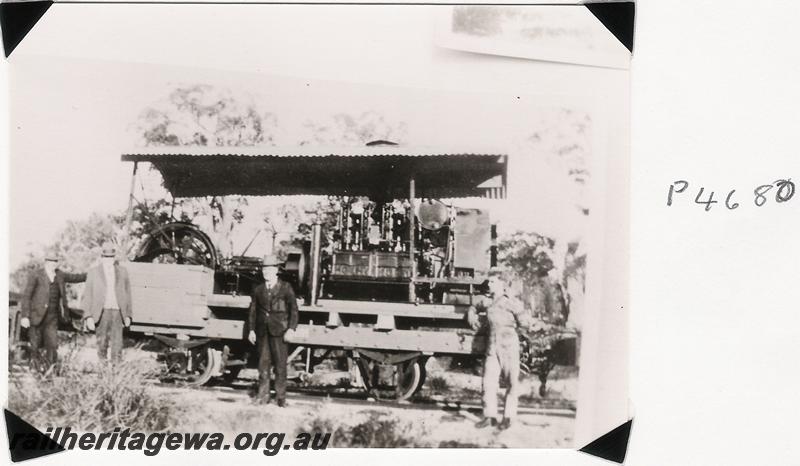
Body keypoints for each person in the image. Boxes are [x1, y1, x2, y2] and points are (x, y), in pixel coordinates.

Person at [468, 270, 536, 430]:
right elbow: (473, 307)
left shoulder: (511, 302)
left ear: (501, 284)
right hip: (492, 346)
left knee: (511, 382)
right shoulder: (486, 301)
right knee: (488, 383)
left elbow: (525, 323)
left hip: (509, 346)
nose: (488, 284)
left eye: (492, 282)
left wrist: (514, 335)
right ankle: (489, 416)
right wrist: (471, 315)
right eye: (488, 282)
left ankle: (508, 417)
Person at [20, 253, 86, 371]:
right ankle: (34, 371)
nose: (53, 264)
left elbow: (75, 278)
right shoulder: (36, 275)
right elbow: (26, 297)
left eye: (55, 261)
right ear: (46, 262)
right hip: (36, 317)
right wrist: (25, 316)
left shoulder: (60, 275)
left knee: (52, 345)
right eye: (51, 261)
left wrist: (93, 274)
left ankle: (50, 373)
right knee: (35, 346)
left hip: (52, 318)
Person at [247, 255, 299, 406]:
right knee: (263, 365)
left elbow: (294, 310)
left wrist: (291, 329)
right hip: (262, 331)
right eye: (264, 269)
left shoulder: (286, 287)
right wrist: (251, 330)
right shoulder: (258, 289)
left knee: (280, 366)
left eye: (269, 269)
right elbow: (253, 311)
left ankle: (280, 398)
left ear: (276, 271)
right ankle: (263, 397)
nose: (266, 272)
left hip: (280, 331)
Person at [81, 242, 133, 362]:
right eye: (106, 257)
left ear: (114, 258)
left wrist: (128, 315)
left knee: (117, 345)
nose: (108, 260)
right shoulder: (93, 272)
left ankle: (116, 374)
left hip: (117, 313)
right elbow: (87, 295)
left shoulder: (122, 271)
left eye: (111, 257)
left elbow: (128, 294)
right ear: (102, 257)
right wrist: (88, 316)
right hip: (102, 312)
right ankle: (103, 374)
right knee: (102, 343)